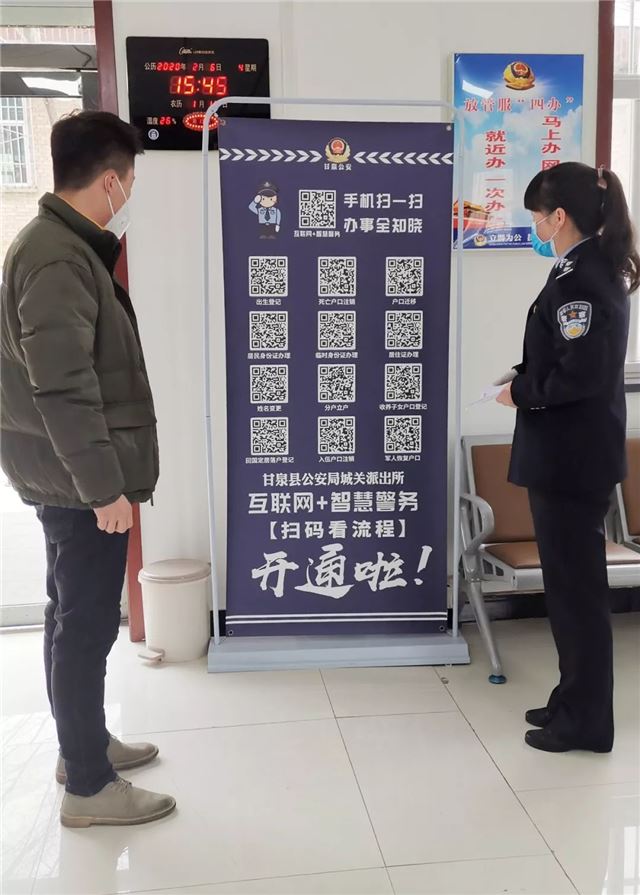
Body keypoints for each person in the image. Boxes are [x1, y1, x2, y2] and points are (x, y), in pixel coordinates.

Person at [0, 111, 176, 826]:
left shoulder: (59, 246)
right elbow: (64, 388)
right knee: (86, 624)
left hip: (65, 474)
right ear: (110, 181)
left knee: (72, 616)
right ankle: (89, 788)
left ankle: (84, 748)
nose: (129, 194)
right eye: (130, 180)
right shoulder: (57, 258)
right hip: (80, 483)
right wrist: (104, 488)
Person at [495, 161, 639, 753]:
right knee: (568, 590)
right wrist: (524, 373)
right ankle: (570, 700)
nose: (534, 226)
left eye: (537, 216)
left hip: (571, 458)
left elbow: (582, 375)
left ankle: (586, 723)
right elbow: (564, 353)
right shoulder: (582, 269)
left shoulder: (585, 279)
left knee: (578, 595)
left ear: (560, 216)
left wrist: (521, 392)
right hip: (569, 454)